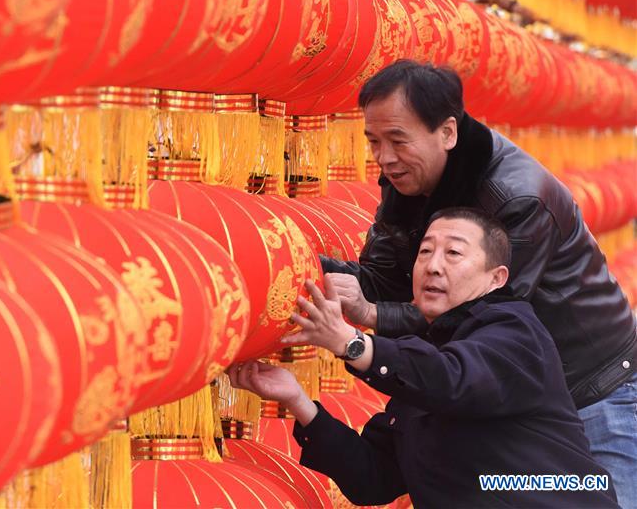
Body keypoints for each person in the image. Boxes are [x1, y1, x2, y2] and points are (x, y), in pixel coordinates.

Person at [319, 60, 636, 505]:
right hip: (508, 396)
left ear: (447, 132)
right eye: (373, 141)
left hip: (594, 391)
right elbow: (382, 278)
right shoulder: (407, 179)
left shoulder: (518, 198)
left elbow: (474, 315)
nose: (384, 158)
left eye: (398, 140)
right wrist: (303, 268)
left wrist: (366, 323)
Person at [228, 209, 618, 508]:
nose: (433, 266)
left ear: (496, 278)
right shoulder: (425, 361)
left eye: (454, 253)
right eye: (425, 252)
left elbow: (453, 378)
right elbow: (372, 478)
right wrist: (297, 400)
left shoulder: (515, 331)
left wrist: (352, 342)